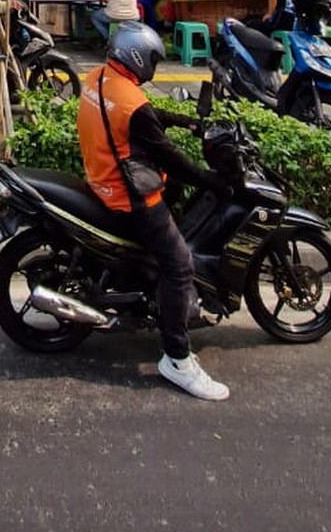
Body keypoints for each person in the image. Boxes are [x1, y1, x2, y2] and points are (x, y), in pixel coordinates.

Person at [77, 23, 231, 401]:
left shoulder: (100, 78)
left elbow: (144, 118)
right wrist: (211, 182)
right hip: (129, 197)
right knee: (180, 265)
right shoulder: (132, 104)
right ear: (137, 57)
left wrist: (185, 121)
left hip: (101, 178)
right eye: (152, 59)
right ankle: (177, 359)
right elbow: (169, 157)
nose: (154, 67)